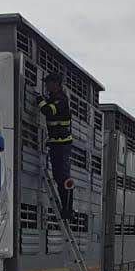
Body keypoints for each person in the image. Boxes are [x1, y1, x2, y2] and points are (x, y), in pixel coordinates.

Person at [38, 73, 75, 219]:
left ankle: (68, 209)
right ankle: (65, 208)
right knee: (58, 178)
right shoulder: (54, 99)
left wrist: (40, 101)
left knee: (64, 178)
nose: (46, 86)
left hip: (62, 144)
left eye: (48, 83)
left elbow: (48, 111)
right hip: (55, 144)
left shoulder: (61, 100)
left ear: (56, 84)